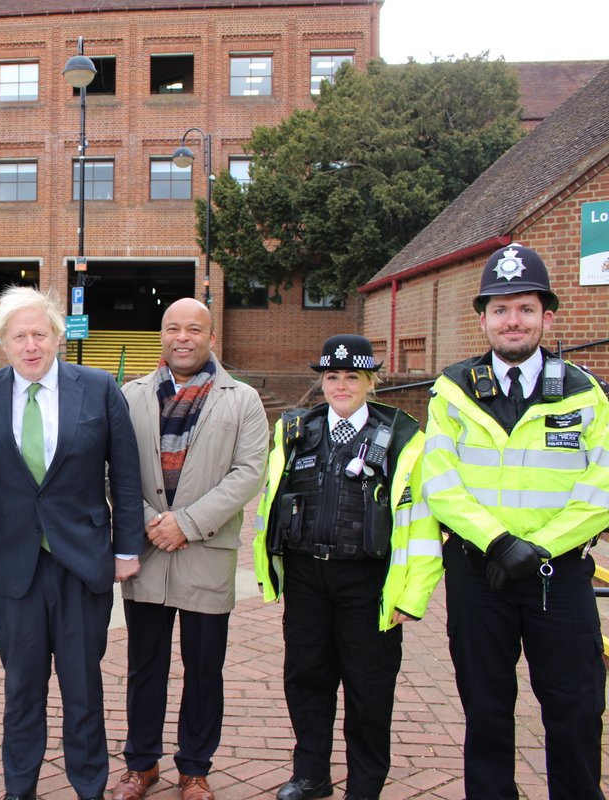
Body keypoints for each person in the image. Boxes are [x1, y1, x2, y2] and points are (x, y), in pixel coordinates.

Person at [421, 243, 607, 799]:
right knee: (486, 707)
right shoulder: (453, 390)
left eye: (525, 308)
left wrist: (541, 548)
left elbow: (600, 488)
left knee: (576, 708)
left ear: (546, 318)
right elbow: (440, 481)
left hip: (560, 575)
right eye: (500, 309)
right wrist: (500, 543)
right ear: (483, 319)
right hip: (481, 574)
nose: (512, 320)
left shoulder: (584, 392)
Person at [0, 286, 144, 800]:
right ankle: (20, 788)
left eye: (40, 333)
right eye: (19, 336)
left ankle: (89, 786)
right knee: (22, 688)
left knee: (83, 686)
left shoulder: (100, 389)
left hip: (82, 564)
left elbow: (125, 476)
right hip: (11, 567)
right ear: (3, 342)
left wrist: (126, 550)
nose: (30, 345)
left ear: (58, 336)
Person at [253, 334, 443, 800]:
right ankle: (312, 774)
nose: (340, 385)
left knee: (369, 689)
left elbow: (421, 521)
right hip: (306, 577)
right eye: (332, 376)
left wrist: (411, 596)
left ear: (370, 381)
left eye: (352, 376)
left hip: (368, 581)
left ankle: (366, 785)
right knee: (305, 678)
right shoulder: (295, 429)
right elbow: (271, 500)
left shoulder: (402, 436)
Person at [114, 298, 269, 800]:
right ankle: (141, 764)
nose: (183, 337)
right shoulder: (129, 395)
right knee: (145, 666)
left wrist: (188, 522)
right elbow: (109, 468)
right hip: (147, 549)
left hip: (204, 551)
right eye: (173, 328)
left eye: (194, 329)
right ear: (161, 334)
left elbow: (250, 473)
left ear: (211, 337)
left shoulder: (242, 399)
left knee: (204, 668)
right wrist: (148, 522)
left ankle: (195, 767)